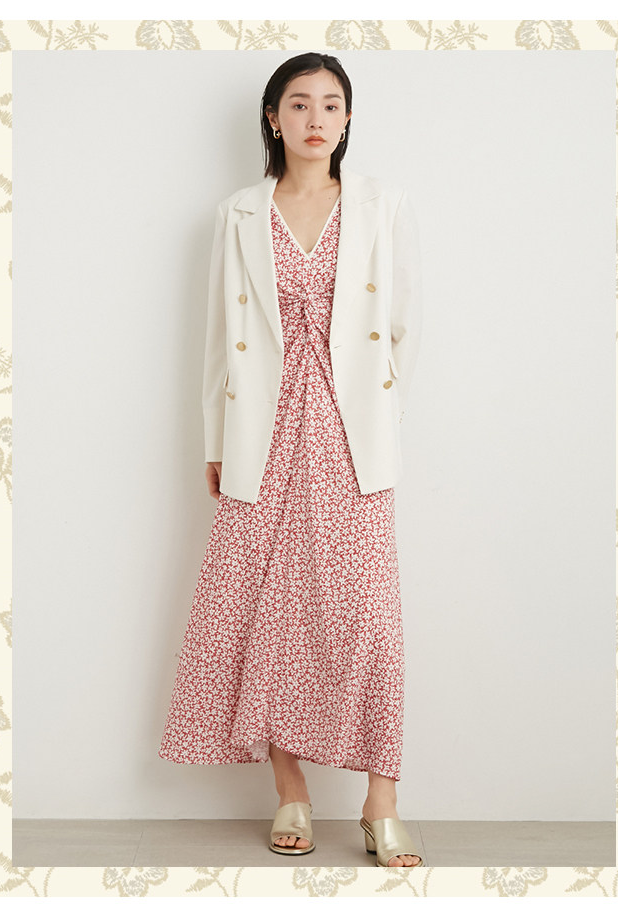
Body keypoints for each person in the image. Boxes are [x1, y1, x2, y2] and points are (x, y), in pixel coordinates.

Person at [159, 52, 423, 868]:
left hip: (350, 432)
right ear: (273, 117)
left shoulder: (381, 206)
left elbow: (405, 328)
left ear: (349, 119)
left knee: (367, 609)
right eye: (299, 103)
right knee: (261, 602)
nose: (316, 118)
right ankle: (291, 789)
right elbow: (217, 341)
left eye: (332, 104)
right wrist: (215, 440)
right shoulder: (239, 214)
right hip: (260, 430)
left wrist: (376, 414)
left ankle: (382, 800)